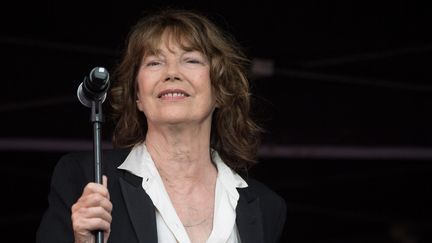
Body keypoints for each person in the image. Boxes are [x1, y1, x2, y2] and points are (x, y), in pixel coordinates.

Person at [36, 8, 286, 243]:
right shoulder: (86, 178)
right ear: (137, 96)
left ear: (220, 90)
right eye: (155, 62)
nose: (172, 72)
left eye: (191, 60)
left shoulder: (265, 206)